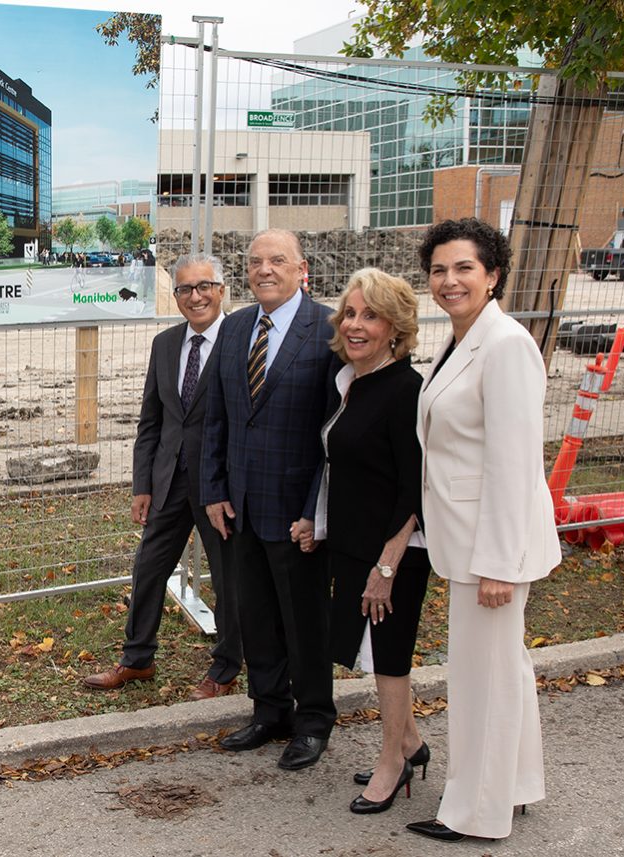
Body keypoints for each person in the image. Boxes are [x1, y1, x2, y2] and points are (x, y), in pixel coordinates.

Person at [406, 218, 561, 843]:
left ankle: (476, 813)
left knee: (482, 682)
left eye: (464, 268)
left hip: (490, 550)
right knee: (505, 672)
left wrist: (500, 561)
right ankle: (517, 786)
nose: (450, 281)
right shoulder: (462, 339)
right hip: (468, 540)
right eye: (440, 270)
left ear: (493, 275)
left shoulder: (505, 344)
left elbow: (514, 463)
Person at [200, 229, 337, 771]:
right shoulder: (234, 328)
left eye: (277, 260)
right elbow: (217, 416)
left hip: (298, 509)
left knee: (304, 620)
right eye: (255, 262)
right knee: (254, 614)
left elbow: (333, 431)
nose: (264, 270)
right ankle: (270, 711)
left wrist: (315, 510)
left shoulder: (327, 328)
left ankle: (313, 721)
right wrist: (213, 489)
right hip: (240, 506)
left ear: (301, 268)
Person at [296, 268, 430, 814]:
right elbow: (340, 468)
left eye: (370, 315)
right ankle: (413, 743)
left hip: (393, 551)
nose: (355, 325)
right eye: (349, 313)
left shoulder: (407, 390)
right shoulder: (349, 381)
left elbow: (414, 487)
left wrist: (389, 565)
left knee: (390, 659)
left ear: (395, 328)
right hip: (352, 543)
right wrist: (316, 521)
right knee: (372, 654)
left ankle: (392, 763)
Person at [82, 254, 242, 699]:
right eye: (185, 289)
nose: (196, 297)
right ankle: (137, 660)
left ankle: (226, 669)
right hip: (169, 481)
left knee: (228, 579)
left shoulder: (241, 339)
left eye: (204, 286)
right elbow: (151, 421)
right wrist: (143, 485)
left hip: (220, 489)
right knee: (149, 568)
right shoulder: (166, 344)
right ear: (175, 297)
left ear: (221, 290)